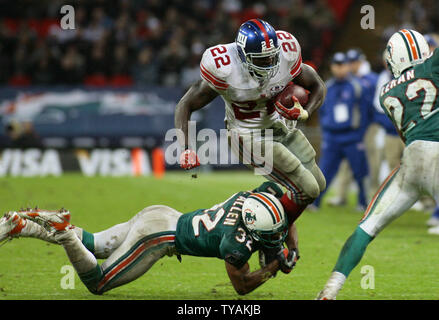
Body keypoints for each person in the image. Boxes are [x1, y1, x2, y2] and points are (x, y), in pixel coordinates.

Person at [0, 182, 299, 296]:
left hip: (159, 213)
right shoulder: (234, 245)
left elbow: (285, 210)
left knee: (92, 245)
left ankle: (21, 226)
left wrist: (289, 247)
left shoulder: (253, 197)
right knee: (98, 283)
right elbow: (242, 287)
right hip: (157, 237)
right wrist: (274, 267)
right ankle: (64, 231)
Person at [317, 29, 438, 300]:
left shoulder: (386, 91)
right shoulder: (432, 66)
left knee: (367, 227)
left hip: (411, 160)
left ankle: (330, 290)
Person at [174, 19, 327, 224]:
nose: (270, 64)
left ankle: (265, 203)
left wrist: (305, 113)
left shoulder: (286, 53)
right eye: (262, 60)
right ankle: (269, 234)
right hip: (246, 137)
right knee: (308, 189)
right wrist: (185, 147)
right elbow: (185, 104)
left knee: (319, 183)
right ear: (243, 56)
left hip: (278, 126)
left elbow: (318, 85)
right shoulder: (225, 68)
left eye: (272, 57)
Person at [312, 52, 372, 212]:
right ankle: (315, 203)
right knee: (324, 173)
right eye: (336, 65)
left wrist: (360, 135)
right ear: (332, 67)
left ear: (347, 66)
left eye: (342, 65)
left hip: (352, 136)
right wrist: (326, 131)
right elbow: (321, 112)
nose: (339, 69)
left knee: (360, 172)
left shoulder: (357, 86)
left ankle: (363, 203)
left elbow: (366, 112)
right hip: (332, 137)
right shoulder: (327, 87)